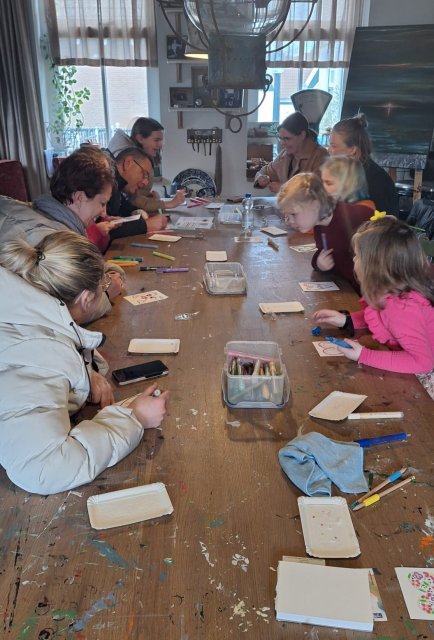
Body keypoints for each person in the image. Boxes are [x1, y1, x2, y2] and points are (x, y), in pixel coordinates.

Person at [0, 230, 169, 494]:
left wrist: (83, 374)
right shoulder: (36, 356)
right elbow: (44, 469)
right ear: (87, 298)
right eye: (103, 289)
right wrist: (133, 418)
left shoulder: (21, 307)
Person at [0, 146, 125, 320]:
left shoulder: (45, 216)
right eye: (102, 203)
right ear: (80, 197)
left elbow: (89, 270)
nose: (104, 213)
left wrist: (107, 276)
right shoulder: (49, 239)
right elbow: (60, 313)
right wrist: (106, 294)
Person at [312, 216, 434, 374]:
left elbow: (423, 364)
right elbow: (381, 316)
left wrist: (364, 355)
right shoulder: (391, 292)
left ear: (375, 268)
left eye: (358, 256)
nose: (354, 260)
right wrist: (346, 320)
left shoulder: (401, 309)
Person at [277, 173, 373, 292]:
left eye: (293, 214)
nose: (289, 221)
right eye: (286, 216)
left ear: (315, 205)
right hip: (347, 288)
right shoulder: (319, 223)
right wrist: (318, 263)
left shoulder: (351, 219)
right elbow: (325, 252)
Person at [108, 117, 185, 211]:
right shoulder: (124, 158)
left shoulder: (137, 159)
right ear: (140, 138)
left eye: (161, 140)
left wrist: (149, 199)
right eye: (156, 140)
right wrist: (170, 204)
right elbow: (132, 200)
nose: (160, 145)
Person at [328, 113, 399, 215]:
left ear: (353, 149)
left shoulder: (377, 181)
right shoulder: (345, 173)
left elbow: (384, 225)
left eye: (333, 146)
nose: (329, 150)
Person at [254, 112, 328, 193]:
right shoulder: (284, 155)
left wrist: (284, 189)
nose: (282, 143)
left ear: (302, 135)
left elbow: (318, 192)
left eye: (287, 139)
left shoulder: (321, 157)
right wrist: (260, 178)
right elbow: (266, 171)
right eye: (280, 138)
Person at [106, 147, 169, 239]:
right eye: (144, 174)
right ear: (128, 163)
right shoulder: (106, 181)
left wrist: (143, 215)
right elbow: (104, 230)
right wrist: (146, 225)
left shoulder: (119, 186)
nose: (145, 183)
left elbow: (124, 210)